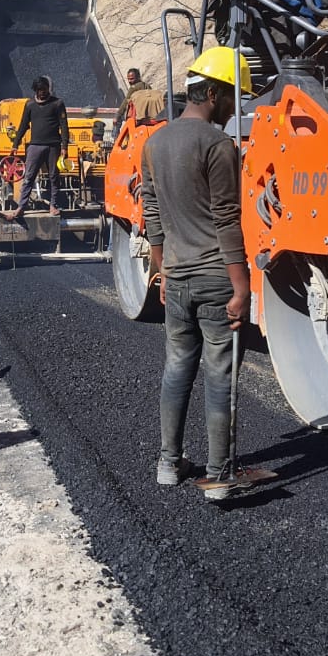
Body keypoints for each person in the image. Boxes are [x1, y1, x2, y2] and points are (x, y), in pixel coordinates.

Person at [141, 46, 252, 502]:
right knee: (219, 374)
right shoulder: (218, 145)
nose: (232, 108)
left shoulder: (154, 143)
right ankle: (219, 476)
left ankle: (169, 463)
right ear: (209, 93)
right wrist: (241, 286)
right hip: (215, 278)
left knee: (177, 367)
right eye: (229, 98)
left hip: (179, 279)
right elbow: (227, 218)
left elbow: (151, 211)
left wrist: (161, 270)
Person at [8, 76, 69, 218]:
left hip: (53, 146)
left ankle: (53, 206)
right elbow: (23, 125)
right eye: (39, 90)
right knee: (29, 176)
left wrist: (64, 146)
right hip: (35, 146)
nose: (42, 92)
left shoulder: (57, 103)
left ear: (49, 88)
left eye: (44, 89)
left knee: (54, 176)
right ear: (35, 90)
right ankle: (21, 207)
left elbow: (64, 126)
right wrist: (15, 144)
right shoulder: (30, 105)